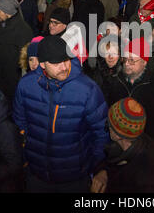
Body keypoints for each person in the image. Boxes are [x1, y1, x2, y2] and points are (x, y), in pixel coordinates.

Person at [13, 36, 109, 192]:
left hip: (74, 179)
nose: (64, 67)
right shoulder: (25, 85)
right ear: (42, 63)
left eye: (66, 60)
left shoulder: (88, 90)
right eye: (56, 63)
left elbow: (101, 133)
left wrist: (97, 167)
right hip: (37, 176)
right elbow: (20, 123)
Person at [105, 37, 154, 157]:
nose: (127, 64)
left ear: (144, 62)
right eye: (125, 59)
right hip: (120, 150)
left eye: (132, 60)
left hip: (148, 151)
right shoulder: (115, 82)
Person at [91, 98, 154, 193]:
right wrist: (104, 172)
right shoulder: (129, 143)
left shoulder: (149, 180)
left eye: (108, 124)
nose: (107, 128)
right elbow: (112, 162)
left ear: (117, 135)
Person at [0, 0, 33, 102]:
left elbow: (26, 61)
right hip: (2, 77)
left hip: (14, 81)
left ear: (8, 13)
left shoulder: (23, 30)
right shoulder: (2, 25)